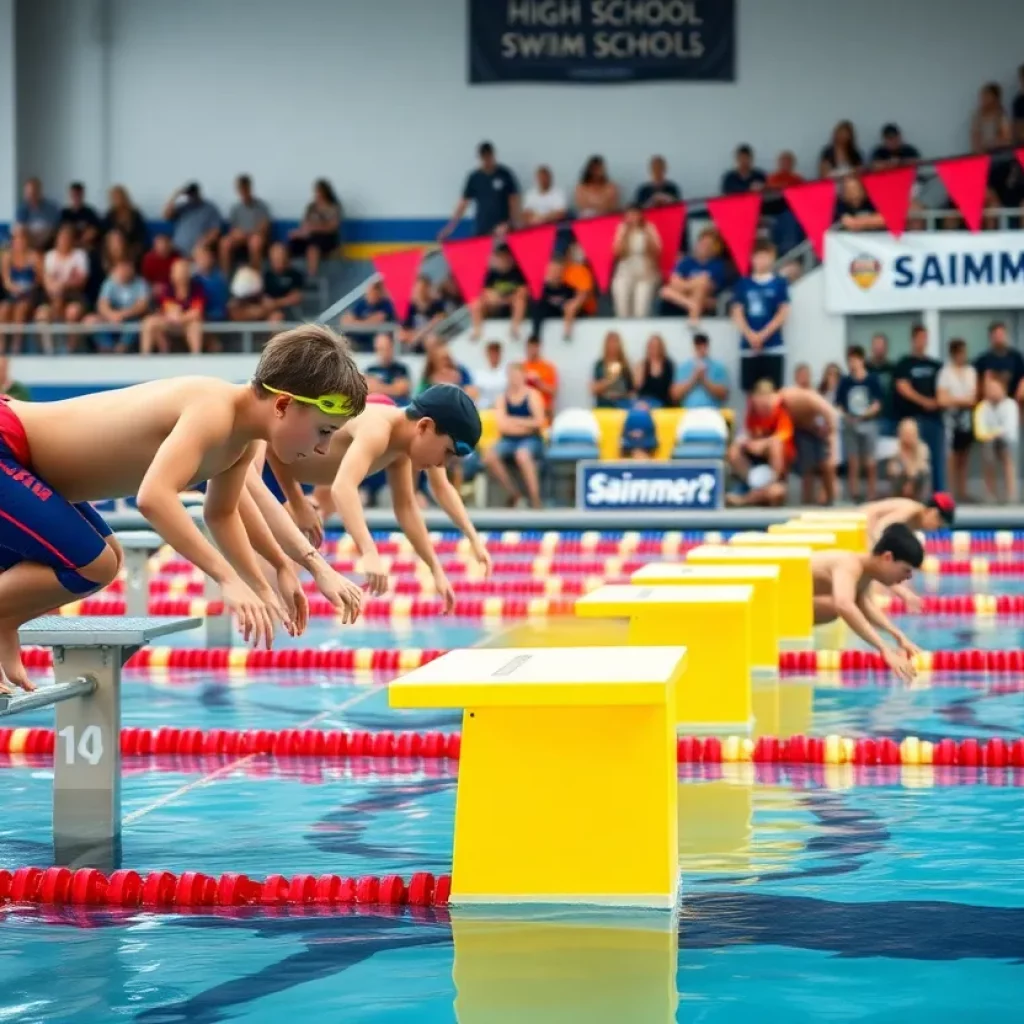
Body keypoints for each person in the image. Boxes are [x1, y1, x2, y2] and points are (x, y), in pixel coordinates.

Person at [0, 324, 366, 693]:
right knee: (95, 563)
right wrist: (228, 579)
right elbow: (155, 497)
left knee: (109, 556)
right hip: (6, 443)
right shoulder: (213, 409)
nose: (324, 448)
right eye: (324, 431)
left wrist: (273, 577)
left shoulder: (243, 441)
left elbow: (221, 514)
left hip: (19, 460)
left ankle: (6, 619)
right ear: (284, 404)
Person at [254, 384, 490, 603]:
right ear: (424, 426)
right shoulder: (379, 429)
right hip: (266, 463)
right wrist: (368, 551)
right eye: (447, 452)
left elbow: (407, 508)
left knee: (284, 584)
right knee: (272, 584)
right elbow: (343, 487)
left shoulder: (402, 447)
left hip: (291, 471)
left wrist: (437, 567)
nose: (443, 464)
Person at [812, 523, 924, 683]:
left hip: (782, 601)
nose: (908, 578)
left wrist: (899, 637)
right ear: (887, 558)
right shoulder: (850, 564)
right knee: (832, 608)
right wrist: (884, 649)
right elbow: (844, 605)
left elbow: (864, 606)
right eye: (906, 570)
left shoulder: (864, 571)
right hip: (772, 603)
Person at [863, 493, 955, 612]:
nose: (936, 528)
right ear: (933, 512)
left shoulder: (914, 522)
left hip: (862, 529)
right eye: (939, 524)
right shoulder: (910, 510)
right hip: (856, 525)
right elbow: (880, 529)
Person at [483, 364, 547, 509]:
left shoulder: (532, 395)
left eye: (517, 376)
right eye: (511, 376)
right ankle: (514, 493)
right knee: (489, 455)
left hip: (531, 439)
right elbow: (502, 426)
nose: (514, 379)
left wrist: (513, 421)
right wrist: (526, 424)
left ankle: (535, 500)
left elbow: (539, 422)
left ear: (523, 376)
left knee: (522, 455)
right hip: (509, 439)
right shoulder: (502, 398)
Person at [732, 239, 790, 392]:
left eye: (765, 256)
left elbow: (782, 313)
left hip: (773, 346)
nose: (761, 260)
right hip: (749, 347)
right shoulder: (743, 283)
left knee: (774, 391)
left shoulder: (779, 283)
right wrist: (751, 335)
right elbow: (737, 313)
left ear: (772, 258)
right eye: (758, 256)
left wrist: (763, 335)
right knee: (750, 391)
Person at [725, 379, 793, 508]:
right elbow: (747, 435)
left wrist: (763, 444)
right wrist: (749, 443)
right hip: (754, 468)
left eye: (766, 397)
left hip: (775, 473)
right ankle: (752, 488)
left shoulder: (781, 412)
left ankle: (747, 499)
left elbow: (782, 436)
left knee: (776, 492)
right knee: (734, 449)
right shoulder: (752, 413)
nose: (762, 402)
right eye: (759, 397)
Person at [893, 324, 944, 492]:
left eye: (925, 338)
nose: (923, 341)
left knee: (935, 460)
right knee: (913, 460)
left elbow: (944, 388)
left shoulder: (935, 365)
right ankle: (914, 494)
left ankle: (938, 495)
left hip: (934, 420)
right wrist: (924, 401)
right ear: (913, 340)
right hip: (912, 420)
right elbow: (903, 387)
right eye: (920, 338)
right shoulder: (904, 364)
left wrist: (939, 401)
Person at [836, 345, 883, 501]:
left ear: (861, 360)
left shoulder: (872, 379)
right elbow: (839, 404)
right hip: (850, 424)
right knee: (853, 461)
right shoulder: (845, 381)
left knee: (870, 461)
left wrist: (864, 414)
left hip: (869, 423)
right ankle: (854, 493)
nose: (852, 363)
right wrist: (847, 416)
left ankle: (871, 492)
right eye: (849, 360)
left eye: (855, 360)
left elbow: (878, 403)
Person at [937, 339, 978, 502]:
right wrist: (961, 401)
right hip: (950, 420)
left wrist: (954, 399)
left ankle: (963, 491)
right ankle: (951, 492)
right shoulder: (945, 373)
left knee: (964, 457)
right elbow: (942, 400)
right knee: (951, 456)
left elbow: (973, 398)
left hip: (966, 419)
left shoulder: (970, 372)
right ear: (954, 354)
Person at [974, 372, 1019, 503]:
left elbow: (1009, 429)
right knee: (988, 453)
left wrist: (993, 434)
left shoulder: (1010, 405)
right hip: (989, 441)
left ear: (1003, 389)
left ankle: (1011, 495)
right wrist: (991, 436)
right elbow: (980, 430)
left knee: (1007, 455)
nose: (992, 391)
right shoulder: (982, 406)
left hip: (1007, 441)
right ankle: (990, 495)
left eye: (995, 388)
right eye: (990, 389)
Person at [610, 205, 661, 319]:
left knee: (641, 312)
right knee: (622, 310)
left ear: (640, 215)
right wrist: (625, 235)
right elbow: (617, 253)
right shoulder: (621, 228)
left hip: (645, 274)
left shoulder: (649, 228)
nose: (631, 217)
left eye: (634, 214)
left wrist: (648, 235)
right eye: (629, 215)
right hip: (625, 272)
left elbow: (657, 252)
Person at [289, 179, 342, 277]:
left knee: (313, 247)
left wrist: (316, 228)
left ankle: (311, 277)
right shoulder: (311, 207)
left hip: (326, 237)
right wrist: (299, 233)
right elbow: (304, 224)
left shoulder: (333, 208)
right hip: (309, 235)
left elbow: (332, 227)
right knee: (292, 244)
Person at [671, 332, 730, 410]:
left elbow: (724, 395)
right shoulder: (683, 367)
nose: (701, 349)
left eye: (703, 345)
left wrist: (705, 381)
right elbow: (675, 395)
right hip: (689, 411)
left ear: (707, 346)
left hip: (712, 411)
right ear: (694, 347)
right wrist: (693, 379)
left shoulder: (718, 367)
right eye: (698, 346)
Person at [888, 418, 931, 500]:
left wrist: (910, 481)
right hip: (900, 485)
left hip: (917, 484)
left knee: (922, 473)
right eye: (905, 433)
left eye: (910, 433)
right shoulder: (895, 448)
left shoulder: (922, 448)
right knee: (896, 472)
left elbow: (919, 469)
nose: (908, 436)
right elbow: (891, 470)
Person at [591, 331, 635, 409]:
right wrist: (610, 379)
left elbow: (631, 391)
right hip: (604, 407)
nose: (613, 345)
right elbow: (594, 390)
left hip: (621, 407)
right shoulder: (600, 365)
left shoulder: (625, 365)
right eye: (610, 342)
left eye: (615, 342)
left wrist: (620, 395)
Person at [633, 334, 675, 408]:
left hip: (663, 403)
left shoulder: (668, 364)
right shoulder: (643, 364)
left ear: (661, 348)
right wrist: (640, 370)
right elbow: (637, 387)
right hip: (645, 403)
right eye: (651, 346)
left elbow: (671, 389)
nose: (653, 349)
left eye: (656, 346)